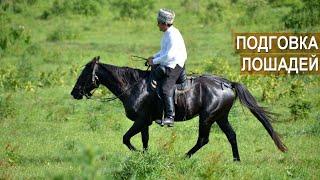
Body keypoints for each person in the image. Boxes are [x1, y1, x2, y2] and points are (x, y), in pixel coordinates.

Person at [148, 8, 187, 127]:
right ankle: (157, 113)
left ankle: (170, 117)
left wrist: (154, 61)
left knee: (165, 89)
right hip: (169, 62)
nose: (157, 25)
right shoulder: (167, 33)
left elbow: (170, 55)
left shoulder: (172, 35)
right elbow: (164, 51)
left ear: (165, 23)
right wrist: (153, 57)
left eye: (159, 22)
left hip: (175, 64)